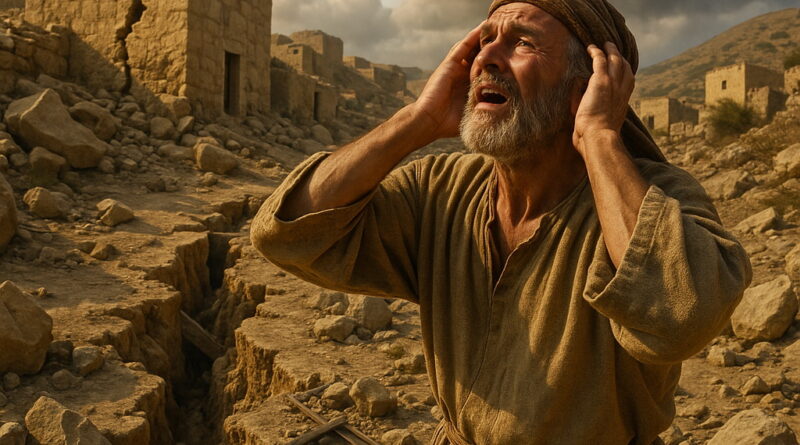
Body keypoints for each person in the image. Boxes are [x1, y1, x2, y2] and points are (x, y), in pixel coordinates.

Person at [251, 0, 752, 443]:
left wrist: (600, 137)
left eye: (521, 43)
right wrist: (418, 120)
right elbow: (288, 233)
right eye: (484, 40)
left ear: (588, 85)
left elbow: (680, 316)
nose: (486, 57)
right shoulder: (443, 188)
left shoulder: (653, 199)